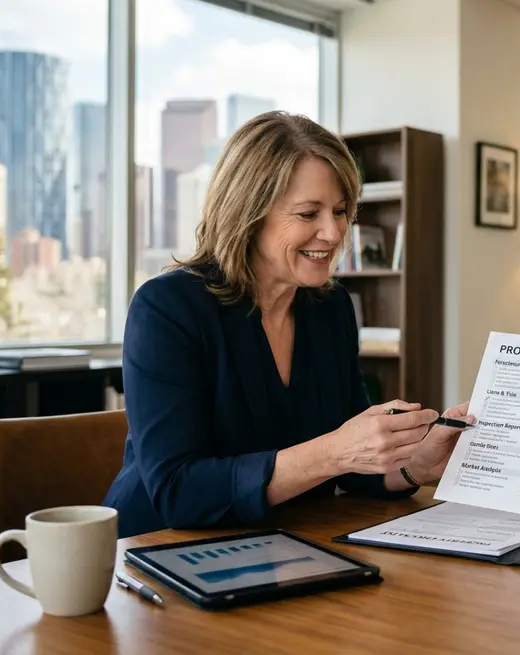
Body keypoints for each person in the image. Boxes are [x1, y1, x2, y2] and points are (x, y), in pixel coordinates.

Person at [103, 111, 470, 539]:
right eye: (308, 213)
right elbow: (177, 492)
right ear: (248, 212)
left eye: (339, 211)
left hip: (284, 545)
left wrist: (413, 465)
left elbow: (353, 467)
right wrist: (333, 452)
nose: (333, 233)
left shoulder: (330, 306)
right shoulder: (166, 308)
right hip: (158, 549)